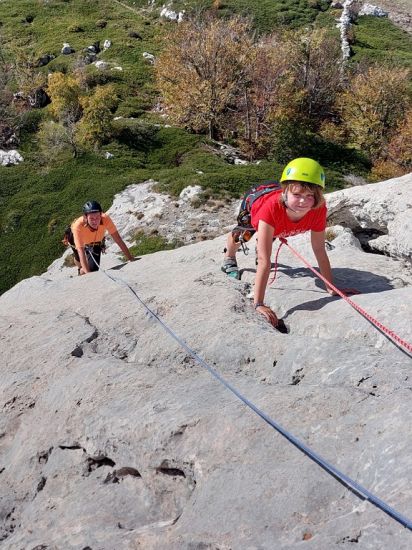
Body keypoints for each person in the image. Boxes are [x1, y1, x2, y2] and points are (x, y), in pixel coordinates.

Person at [221, 157, 358, 330]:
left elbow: (319, 249)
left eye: (309, 196)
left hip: (275, 219)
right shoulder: (271, 208)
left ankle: (264, 240)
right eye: (297, 195)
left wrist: (331, 288)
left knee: (270, 236)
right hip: (256, 201)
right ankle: (229, 257)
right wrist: (259, 303)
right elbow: (264, 261)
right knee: (243, 235)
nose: (302, 201)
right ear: (285, 192)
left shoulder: (318, 210)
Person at [67, 200, 134, 275]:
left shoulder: (105, 219)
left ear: (101, 215)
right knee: (78, 257)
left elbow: (118, 239)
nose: (95, 221)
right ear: (85, 217)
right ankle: (79, 266)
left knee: (93, 269)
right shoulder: (78, 226)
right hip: (74, 237)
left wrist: (130, 258)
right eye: (91, 218)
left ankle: (81, 269)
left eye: (97, 217)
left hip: (94, 240)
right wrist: (89, 276)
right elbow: (81, 251)